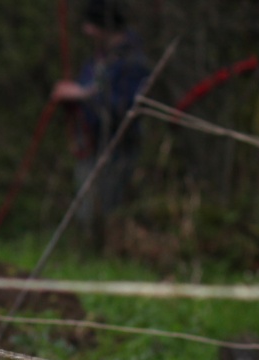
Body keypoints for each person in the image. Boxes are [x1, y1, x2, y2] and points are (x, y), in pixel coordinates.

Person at [50, 0, 151, 239]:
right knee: (86, 214)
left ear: (106, 26)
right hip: (91, 147)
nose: (87, 32)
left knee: (106, 214)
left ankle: (104, 259)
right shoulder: (98, 59)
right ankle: (89, 255)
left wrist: (83, 95)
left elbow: (124, 108)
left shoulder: (132, 62)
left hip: (117, 151)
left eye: (92, 25)